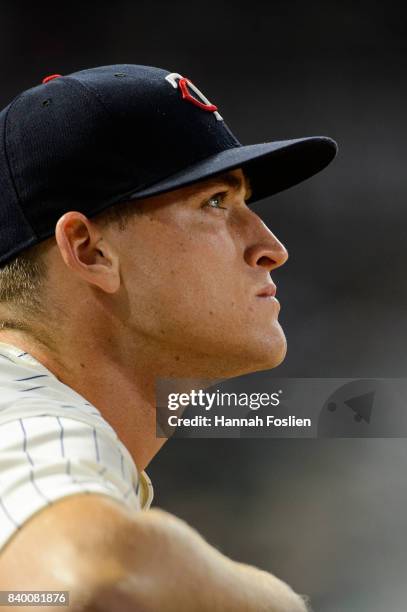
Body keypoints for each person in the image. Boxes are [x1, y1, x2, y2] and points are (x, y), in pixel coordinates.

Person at [0, 64, 337, 611]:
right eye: (214, 203)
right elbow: (98, 579)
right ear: (90, 252)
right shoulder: (31, 418)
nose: (271, 247)